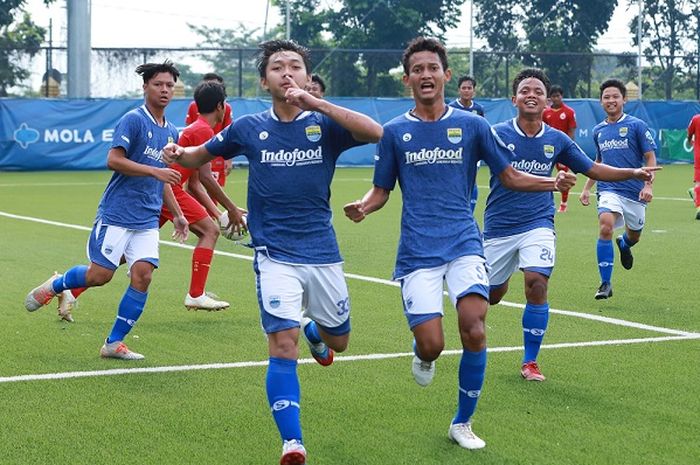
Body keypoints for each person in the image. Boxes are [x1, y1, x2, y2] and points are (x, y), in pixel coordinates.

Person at [343, 37, 576, 451]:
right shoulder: (396, 132)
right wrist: (364, 206)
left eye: (433, 67)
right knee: (433, 344)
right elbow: (381, 190)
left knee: (474, 327)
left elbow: (509, 176)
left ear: (446, 75)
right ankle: (423, 351)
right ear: (407, 79)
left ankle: (462, 422)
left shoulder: (473, 126)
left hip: (465, 242)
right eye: (418, 69)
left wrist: (550, 181)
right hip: (417, 250)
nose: (426, 75)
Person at [162, 40, 382, 465]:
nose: (286, 73)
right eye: (277, 68)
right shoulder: (248, 127)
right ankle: (292, 443)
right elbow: (199, 155)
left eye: (295, 67)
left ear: (306, 77)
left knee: (341, 339)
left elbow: (376, 132)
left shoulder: (326, 124)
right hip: (273, 253)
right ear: (264, 81)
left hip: (322, 253)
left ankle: (318, 335)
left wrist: (318, 104)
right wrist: (178, 152)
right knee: (283, 344)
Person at [484, 69, 658, 382]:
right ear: (514, 99)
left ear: (546, 100)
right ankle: (501, 279)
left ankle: (530, 361)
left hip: (538, 223)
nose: (532, 95)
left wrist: (633, 172)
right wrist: (553, 181)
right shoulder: (497, 133)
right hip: (499, 227)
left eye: (538, 90)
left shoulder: (557, 139)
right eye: (525, 90)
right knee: (492, 295)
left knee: (537, 282)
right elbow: (508, 177)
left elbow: (592, 168)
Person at [24, 61, 187, 359]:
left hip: (147, 218)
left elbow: (163, 177)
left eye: (169, 85)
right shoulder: (133, 120)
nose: (164, 90)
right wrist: (155, 171)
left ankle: (113, 343)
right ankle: (57, 284)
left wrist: (176, 213)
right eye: (158, 84)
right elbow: (114, 160)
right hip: (117, 213)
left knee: (143, 276)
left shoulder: (171, 131)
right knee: (100, 276)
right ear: (145, 87)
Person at [58, 80, 246, 318]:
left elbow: (196, 183)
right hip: (168, 190)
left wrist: (219, 213)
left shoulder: (193, 129)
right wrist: (228, 210)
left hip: (160, 190)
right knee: (210, 231)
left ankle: (71, 291)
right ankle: (196, 294)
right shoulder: (203, 131)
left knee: (125, 254)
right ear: (221, 106)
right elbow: (207, 179)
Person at [580, 79, 658, 300]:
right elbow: (598, 161)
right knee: (605, 227)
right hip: (608, 190)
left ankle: (624, 244)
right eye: (606, 97)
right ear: (601, 101)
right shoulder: (598, 131)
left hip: (634, 193)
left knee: (634, 236)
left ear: (624, 99)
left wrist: (648, 185)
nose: (611, 100)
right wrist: (586, 188)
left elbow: (650, 156)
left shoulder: (636, 125)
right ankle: (605, 283)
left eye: (615, 96)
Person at [186, 72, 234, 192]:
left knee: (210, 191)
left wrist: (228, 159)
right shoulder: (202, 129)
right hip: (197, 154)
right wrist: (232, 209)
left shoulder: (226, 108)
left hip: (216, 155)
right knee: (197, 188)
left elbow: (228, 132)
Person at [449, 75, 485, 210]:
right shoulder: (451, 108)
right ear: (459, 90)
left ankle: (469, 211)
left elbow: (481, 130)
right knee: (456, 181)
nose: (466, 90)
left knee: (471, 180)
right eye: (463, 88)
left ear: (474, 91)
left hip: (473, 153)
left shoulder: (478, 109)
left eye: (469, 88)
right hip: (455, 152)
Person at [543, 84, 577, 213]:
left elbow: (572, 130)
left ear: (562, 96)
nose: (556, 98)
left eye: (558, 96)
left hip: (562, 148)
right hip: (547, 148)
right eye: (553, 96)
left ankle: (563, 203)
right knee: (543, 173)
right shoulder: (546, 113)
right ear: (550, 98)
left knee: (562, 176)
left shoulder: (569, 112)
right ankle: (544, 201)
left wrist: (567, 147)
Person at [687, 112, 700, 219]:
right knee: (699, 182)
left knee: (698, 183)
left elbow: (689, 134)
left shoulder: (695, 119)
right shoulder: (696, 118)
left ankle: (694, 192)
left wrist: (689, 140)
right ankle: (699, 208)